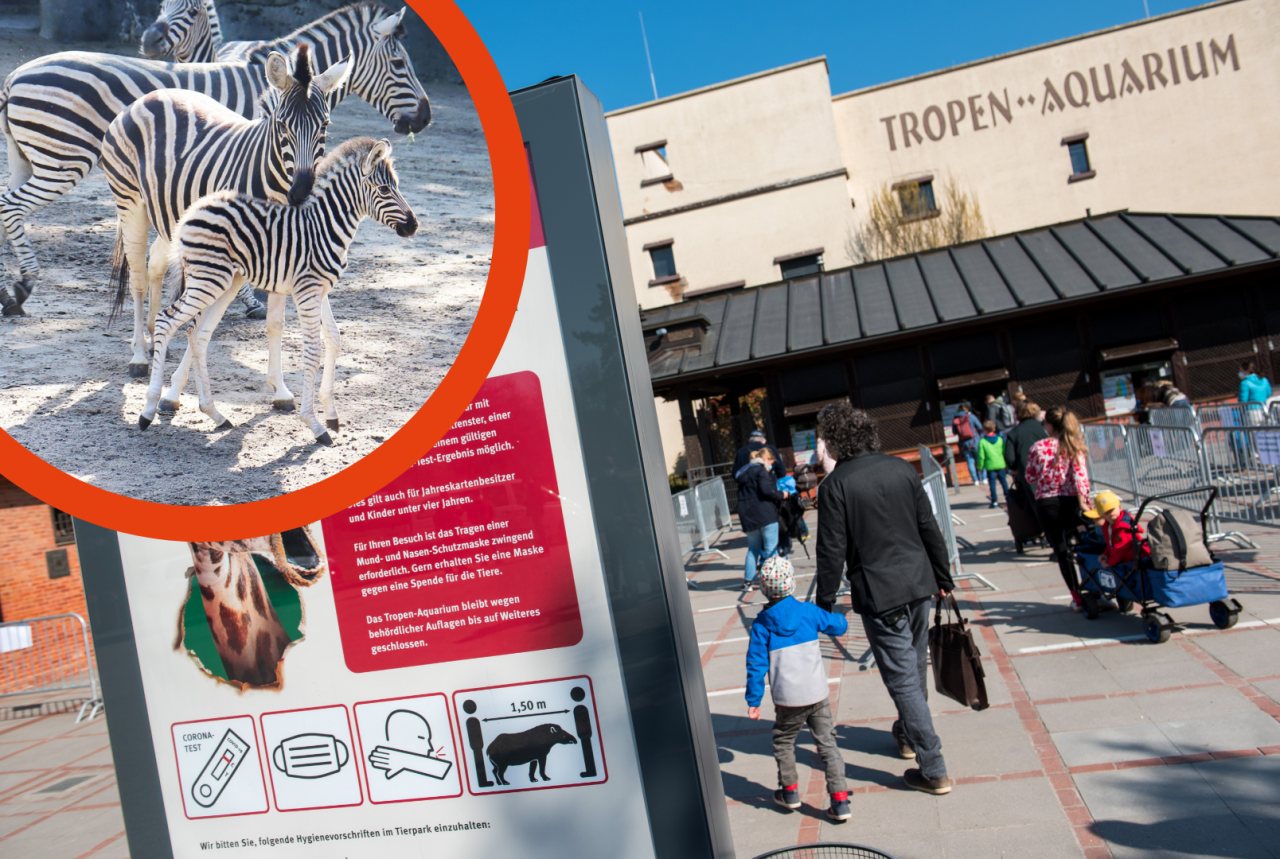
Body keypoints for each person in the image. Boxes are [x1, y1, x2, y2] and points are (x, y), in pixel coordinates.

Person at [814, 402, 955, 796]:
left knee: (903, 678)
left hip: (880, 592)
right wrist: (943, 576)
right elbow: (929, 527)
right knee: (913, 667)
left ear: (836, 440)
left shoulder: (837, 485)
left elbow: (831, 551)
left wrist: (824, 604)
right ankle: (909, 736)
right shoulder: (899, 468)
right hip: (918, 583)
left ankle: (934, 766)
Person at [746, 556, 850, 821]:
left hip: (787, 699)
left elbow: (756, 666)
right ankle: (840, 801)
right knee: (828, 744)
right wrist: (839, 618)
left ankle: (790, 792)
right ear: (792, 584)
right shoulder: (809, 612)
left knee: (783, 741)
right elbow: (839, 626)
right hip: (817, 693)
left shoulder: (761, 625)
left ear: (763, 588)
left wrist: (754, 700)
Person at [1023, 407, 1093, 612]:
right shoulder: (1074, 445)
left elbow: (1030, 477)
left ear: (1051, 425)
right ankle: (1093, 589)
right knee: (1085, 547)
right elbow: (1081, 477)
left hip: (1047, 503)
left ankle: (1076, 598)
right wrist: (1084, 502)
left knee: (1062, 551)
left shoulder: (1038, 447)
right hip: (1072, 502)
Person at [735, 447, 789, 590]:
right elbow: (767, 490)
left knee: (753, 549)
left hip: (747, 515)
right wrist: (782, 495)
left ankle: (748, 582)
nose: (772, 465)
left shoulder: (743, 472)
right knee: (771, 549)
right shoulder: (761, 470)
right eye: (771, 461)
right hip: (765, 514)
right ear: (766, 459)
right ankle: (775, 580)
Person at [1082, 491, 1147, 570]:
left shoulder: (1123, 526)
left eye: (1112, 509)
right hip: (1126, 563)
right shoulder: (1107, 525)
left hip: (1136, 563)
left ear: (1119, 507)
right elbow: (1110, 545)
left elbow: (1120, 551)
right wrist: (1106, 554)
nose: (1110, 513)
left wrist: (1109, 562)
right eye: (1106, 512)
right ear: (1101, 514)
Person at [1005, 401, 1048, 486]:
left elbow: (1010, 458)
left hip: (1026, 474)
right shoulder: (1045, 428)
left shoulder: (1014, 432)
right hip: (1048, 470)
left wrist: (1015, 468)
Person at [976, 420, 1009, 508]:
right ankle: (1008, 498)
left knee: (992, 483)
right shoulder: (1000, 440)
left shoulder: (982, 441)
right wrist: (1006, 463)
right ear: (994, 429)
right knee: (1003, 481)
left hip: (990, 464)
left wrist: (981, 466)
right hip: (1000, 463)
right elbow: (1004, 451)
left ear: (984, 430)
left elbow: (981, 456)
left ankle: (994, 501)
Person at [951, 404, 985, 485]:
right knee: (979, 459)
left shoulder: (955, 419)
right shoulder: (971, 417)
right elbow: (980, 427)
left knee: (970, 462)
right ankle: (983, 478)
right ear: (967, 409)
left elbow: (954, 432)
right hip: (975, 440)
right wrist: (979, 435)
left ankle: (975, 480)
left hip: (964, 443)